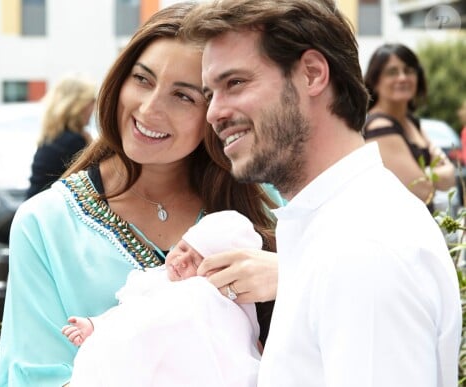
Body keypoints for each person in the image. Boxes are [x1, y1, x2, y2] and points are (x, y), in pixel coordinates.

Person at [0, 3, 279, 386]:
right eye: (142, 79)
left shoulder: (261, 209)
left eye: (183, 96)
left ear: (215, 112)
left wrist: (289, 279)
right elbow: (33, 377)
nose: (148, 109)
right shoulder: (44, 224)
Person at [182, 1, 462, 386]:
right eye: (209, 92)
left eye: (235, 83)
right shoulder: (335, 225)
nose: (214, 112)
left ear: (312, 74)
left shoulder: (363, 245)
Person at [62, 210, 262, 387]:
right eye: (182, 249)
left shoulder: (208, 300)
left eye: (195, 262)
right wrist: (95, 325)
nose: (181, 261)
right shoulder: (155, 280)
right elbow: (129, 316)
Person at [363, 43, 456, 212]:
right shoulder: (380, 127)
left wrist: (428, 175)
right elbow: (421, 190)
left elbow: (450, 177)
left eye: (409, 70)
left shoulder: (412, 122)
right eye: (392, 72)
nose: (402, 77)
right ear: (375, 81)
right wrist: (437, 173)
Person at [27, 73, 96, 198]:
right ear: (78, 104)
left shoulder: (54, 136)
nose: (94, 107)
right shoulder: (72, 141)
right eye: (91, 100)